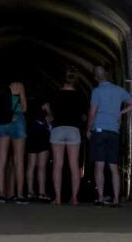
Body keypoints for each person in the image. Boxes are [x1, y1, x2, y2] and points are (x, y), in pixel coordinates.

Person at [87, 64, 132, 207]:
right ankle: (116, 199)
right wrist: (121, 113)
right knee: (113, 166)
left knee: (99, 165)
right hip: (114, 131)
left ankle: (101, 197)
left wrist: (88, 129)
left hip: (99, 130)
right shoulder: (119, 90)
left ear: (96, 77)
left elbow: (92, 112)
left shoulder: (96, 91)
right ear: (107, 75)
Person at [50, 68, 89, 205]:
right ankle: (74, 198)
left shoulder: (56, 94)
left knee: (58, 165)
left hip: (58, 128)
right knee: (74, 165)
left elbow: (51, 111)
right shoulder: (80, 95)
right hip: (73, 130)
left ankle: (58, 198)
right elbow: (84, 114)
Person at [0, 72, 28, 203]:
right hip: (16, 120)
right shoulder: (19, 86)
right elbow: (24, 108)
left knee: (1, 160)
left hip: (1, 122)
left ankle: (1, 193)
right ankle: (19, 195)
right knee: (19, 160)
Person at [25, 98, 52, 202]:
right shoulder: (43, 103)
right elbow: (50, 118)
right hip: (42, 134)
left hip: (31, 132)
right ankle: (41, 192)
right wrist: (48, 110)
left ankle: (30, 191)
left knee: (31, 165)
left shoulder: (29, 102)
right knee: (42, 166)